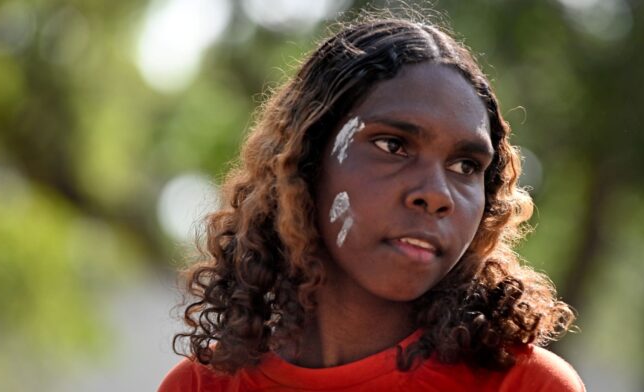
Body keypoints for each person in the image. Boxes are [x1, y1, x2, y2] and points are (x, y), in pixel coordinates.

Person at [159, 14, 584, 392]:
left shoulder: (525, 385)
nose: (436, 194)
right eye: (393, 145)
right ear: (304, 162)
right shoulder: (202, 386)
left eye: (466, 165)